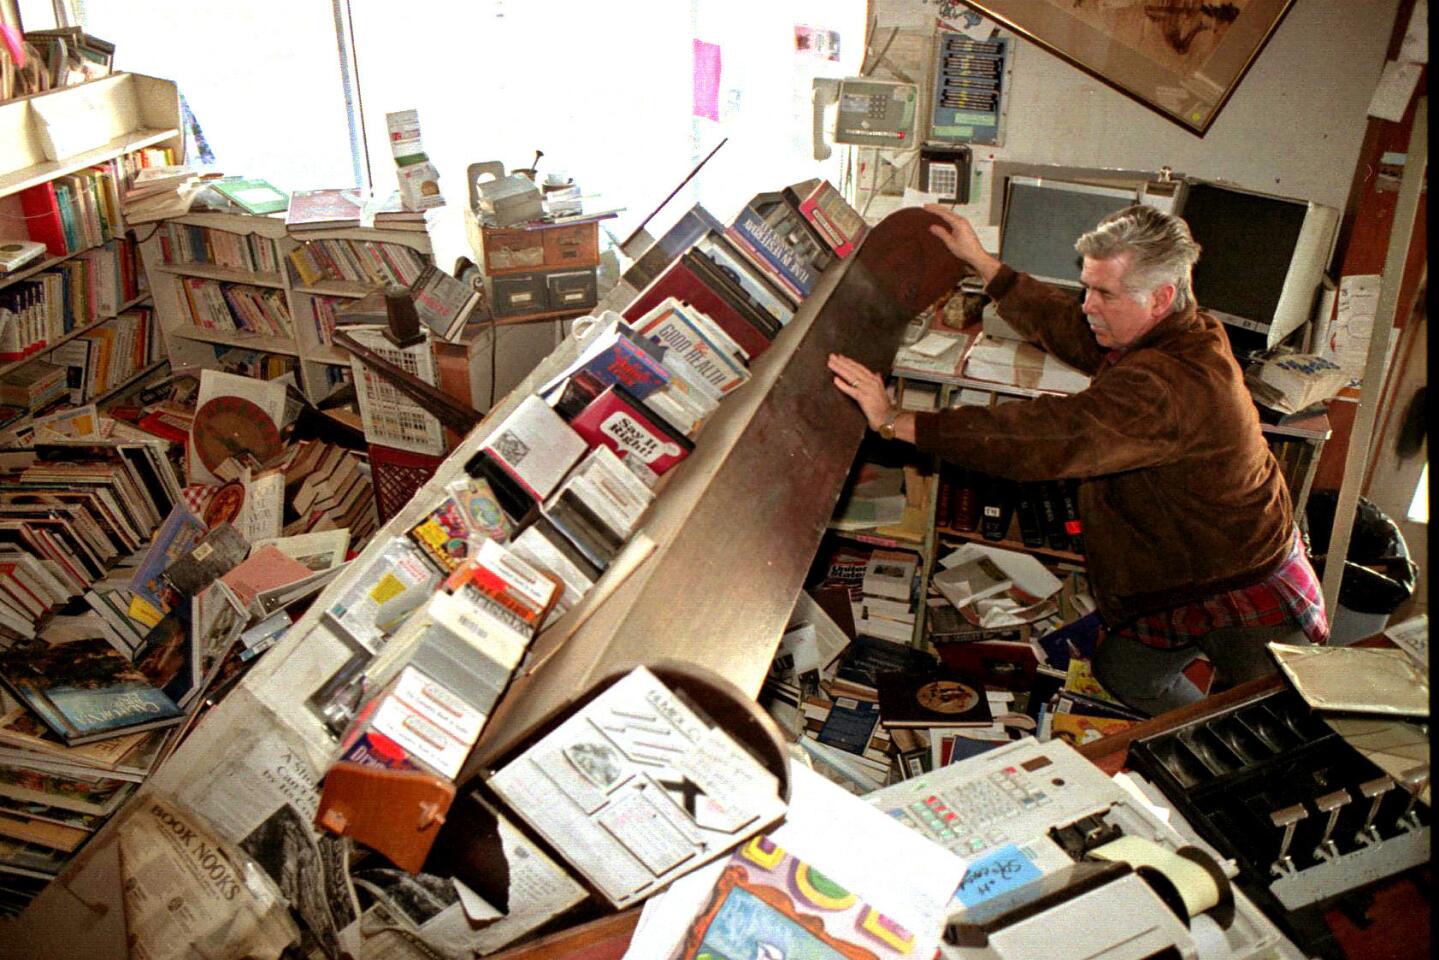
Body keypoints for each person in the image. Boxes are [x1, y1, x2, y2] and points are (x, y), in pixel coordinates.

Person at [827, 203, 1327, 716]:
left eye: (1104, 293)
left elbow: (1044, 438)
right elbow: (1071, 327)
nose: (1088, 305)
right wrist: (986, 266)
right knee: (1123, 673)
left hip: (1242, 584)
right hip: (1186, 572)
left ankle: (1197, 733)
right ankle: (1188, 724)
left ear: (1161, 297)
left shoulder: (1164, 387)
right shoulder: (1178, 329)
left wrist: (898, 420)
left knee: (1263, 728)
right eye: (1087, 286)